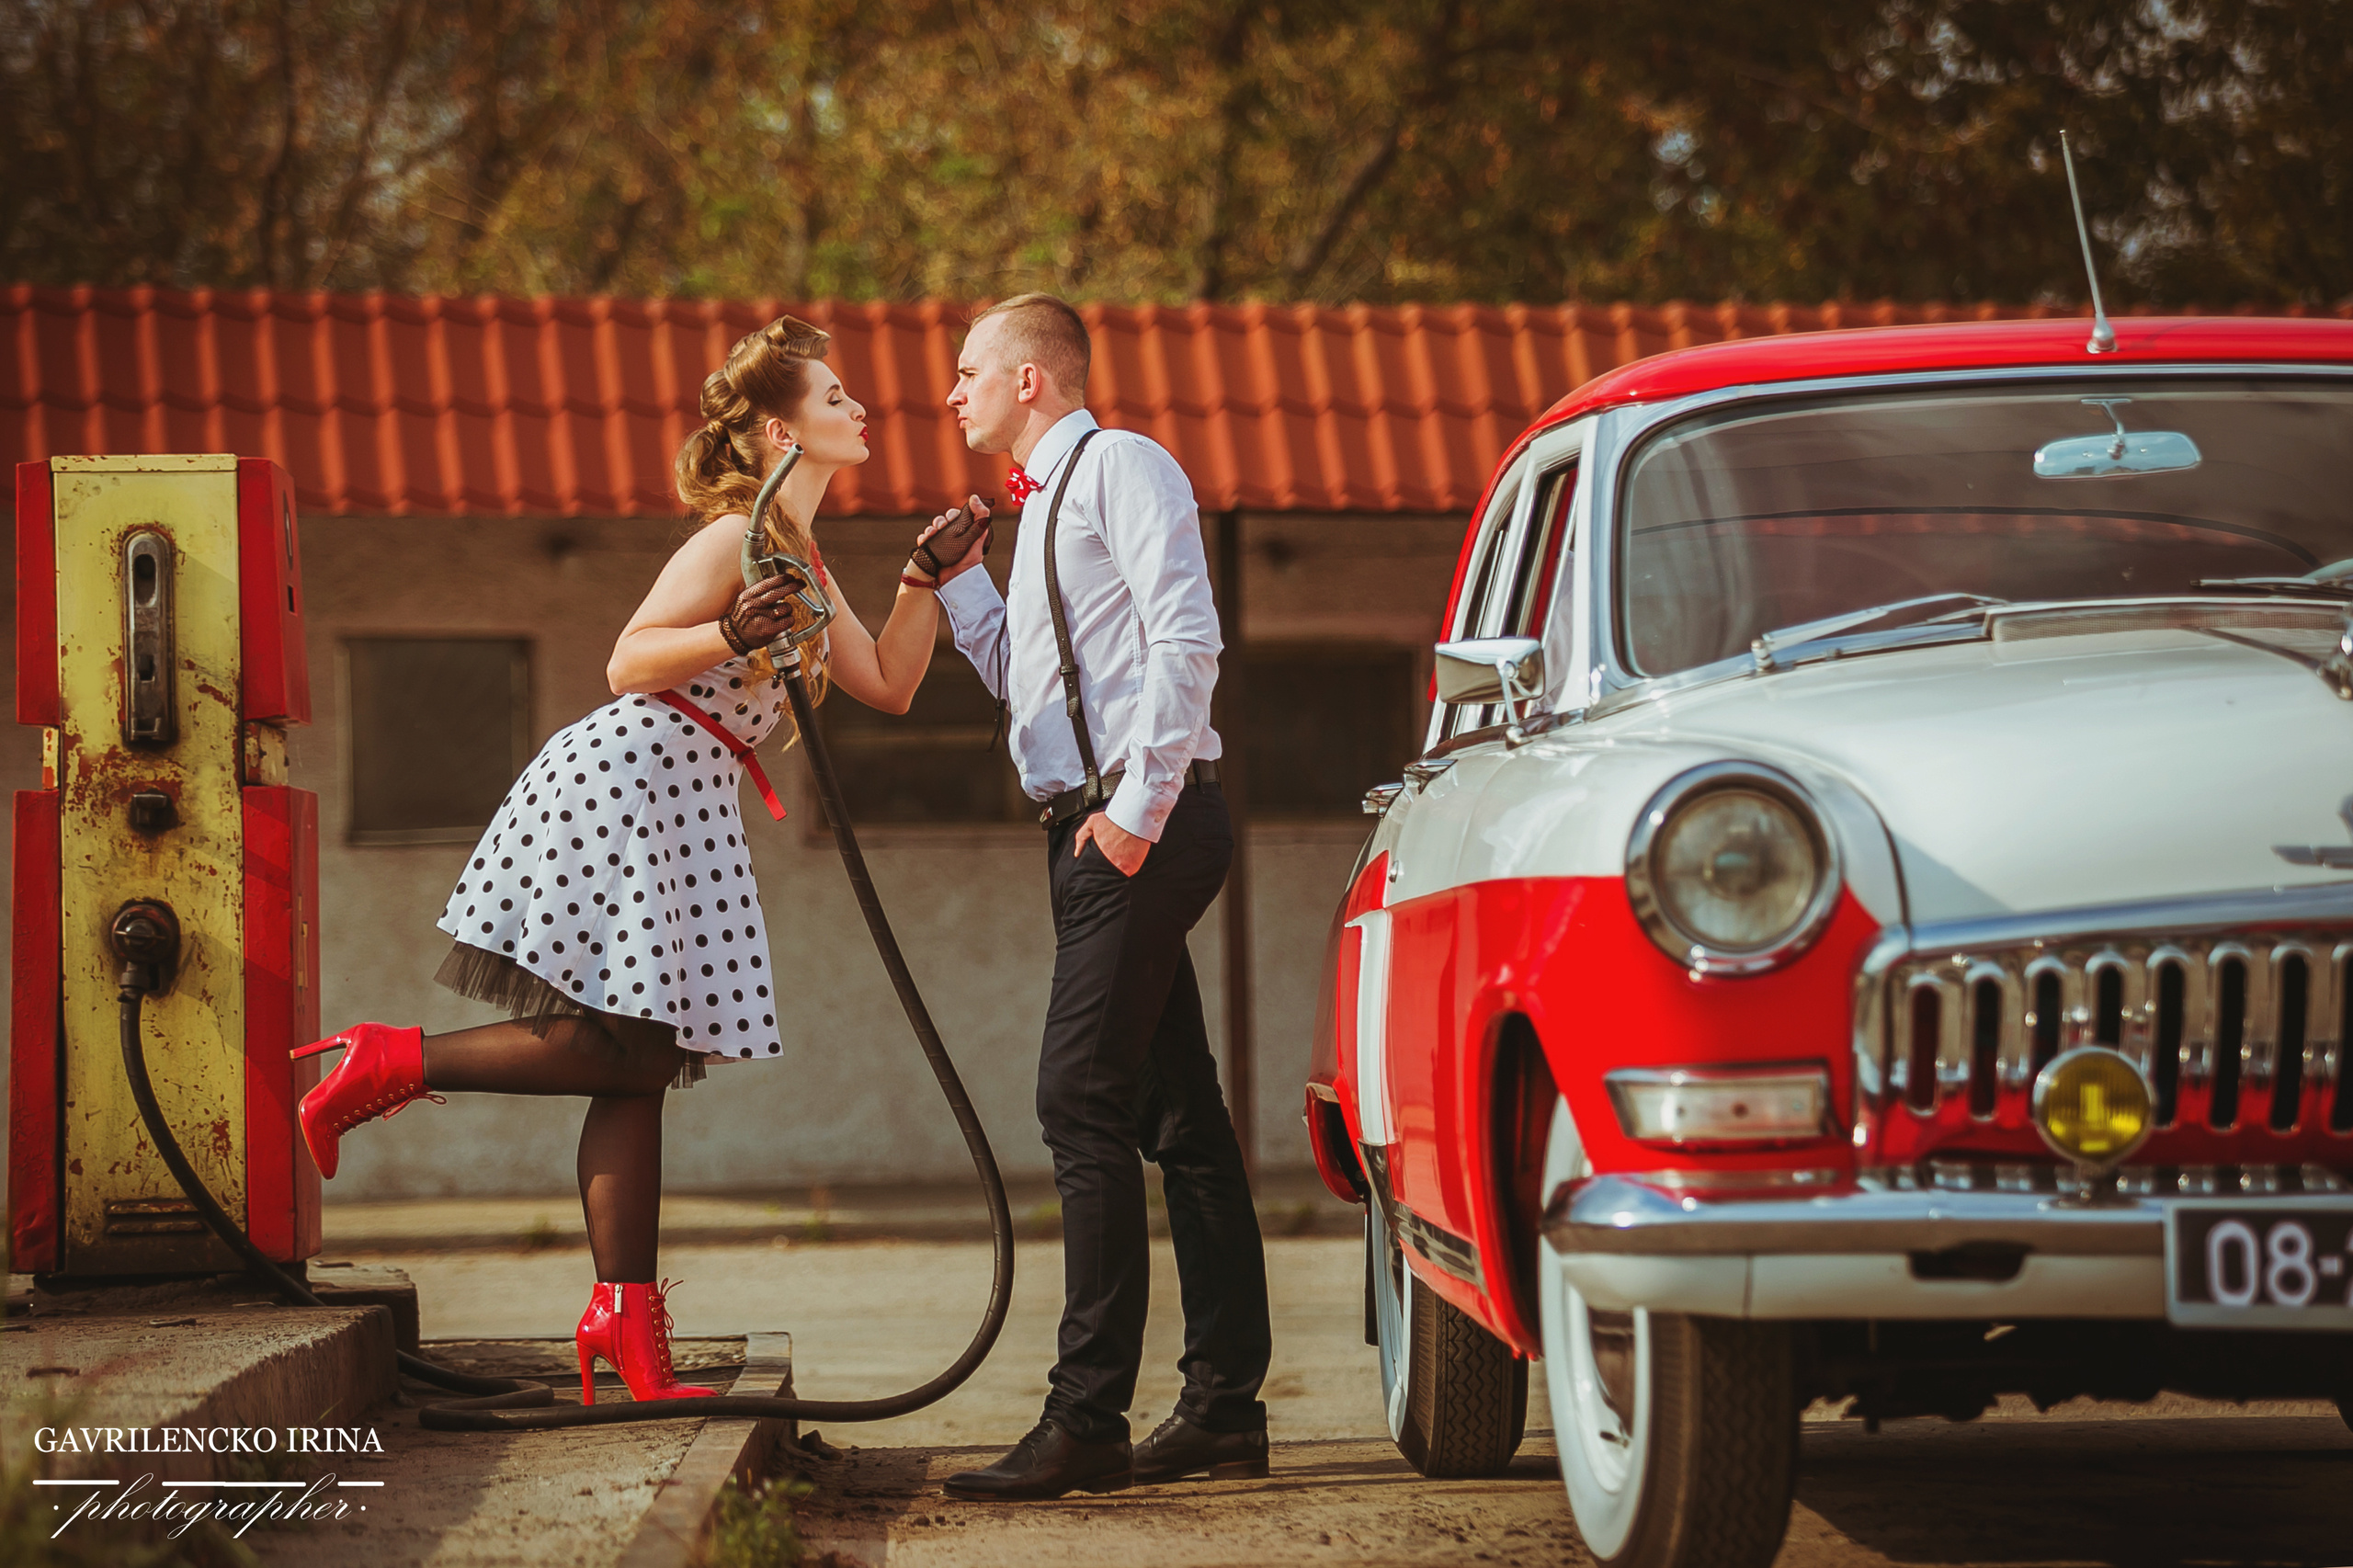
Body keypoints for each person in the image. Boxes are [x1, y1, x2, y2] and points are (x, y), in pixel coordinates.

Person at [289, 316, 977, 1404]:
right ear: (778, 432)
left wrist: (922, 578)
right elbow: (627, 660)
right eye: (834, 396)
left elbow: (889, 683)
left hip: (687, 795)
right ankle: (393, 1063)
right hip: (633, 777)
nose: (859, 409)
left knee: (638, 1058)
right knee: (629, 1047)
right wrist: (733, 636)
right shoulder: (730, 538)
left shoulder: (801, 557)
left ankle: (622, 1316)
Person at [931, 294, 1272, 1501]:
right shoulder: (1039, 513)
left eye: (968, 371)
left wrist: (1135, 812)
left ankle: (1086, 1418)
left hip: (1138, 824)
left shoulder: (1123, 464)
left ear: (1028, 378)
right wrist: (964, 584)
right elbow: (1031, 686)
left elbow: (1188, 640)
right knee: (1178, 1113)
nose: (953, 392)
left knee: (1079, 1095)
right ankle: (1224, 1407)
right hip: (1092, 824)